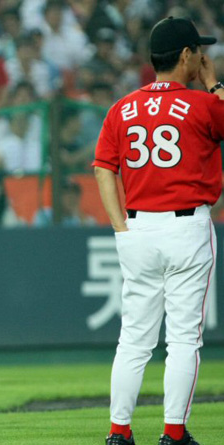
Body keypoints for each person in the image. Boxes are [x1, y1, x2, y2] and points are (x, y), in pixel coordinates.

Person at [94, 17, 224, 445]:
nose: (203, 56)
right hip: (186, 226)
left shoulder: (122, 107)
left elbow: (103, 169)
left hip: (137, 228)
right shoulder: (204, 103)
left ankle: (119, 433)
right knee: (184, 338)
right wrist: (214, 83)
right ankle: (172, 433)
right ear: (186, 55)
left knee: (133, 339)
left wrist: (119, 227)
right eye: (198, 51)